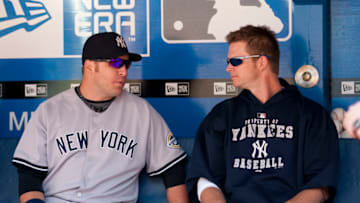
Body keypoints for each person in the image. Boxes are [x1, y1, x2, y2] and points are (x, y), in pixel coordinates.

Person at [12, 32, 189, 203]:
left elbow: (173, 171)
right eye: (116, 63)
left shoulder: (142, 112)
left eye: (126, 65)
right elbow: (29, 176)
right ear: (90, 66)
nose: (124, 72)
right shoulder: (49, 110)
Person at [186, 25, 339, 203]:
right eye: (228, 62)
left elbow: (321, 186)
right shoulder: (222, 115)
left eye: (235, 61)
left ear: (261, 62)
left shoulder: (311, 115)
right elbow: (205, 180)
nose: (228, 68)